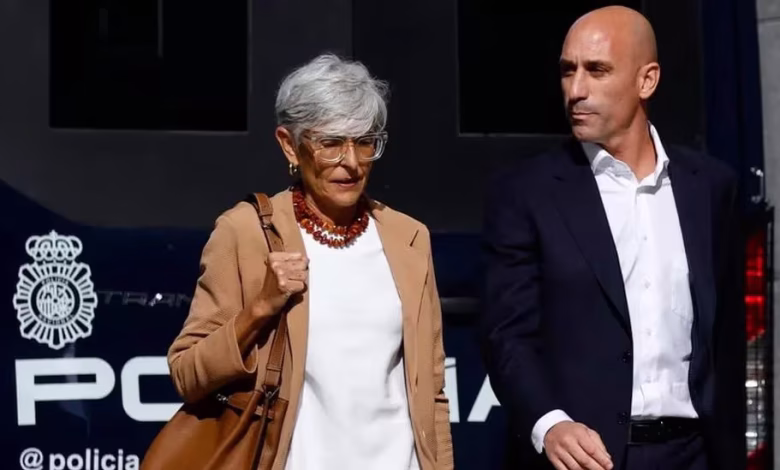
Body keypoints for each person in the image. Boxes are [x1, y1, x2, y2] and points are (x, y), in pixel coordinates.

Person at [479, 6, 745, 470]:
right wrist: (550, 424)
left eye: (597, 70)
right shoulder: (527, 192)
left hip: (693, 453)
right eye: (568, 71)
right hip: (584, 458)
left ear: (647, 81)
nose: (576, 90)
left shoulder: (710, 188)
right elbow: (506, 333)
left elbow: (726, 341)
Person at [167, 53, 453, 470]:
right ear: (289, 144)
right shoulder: (245, 232)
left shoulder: (408, 238)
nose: (351, 163)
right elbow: (186, 374)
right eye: (331, 144)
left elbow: (433, 392)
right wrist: (259, 309)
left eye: (365, 142)